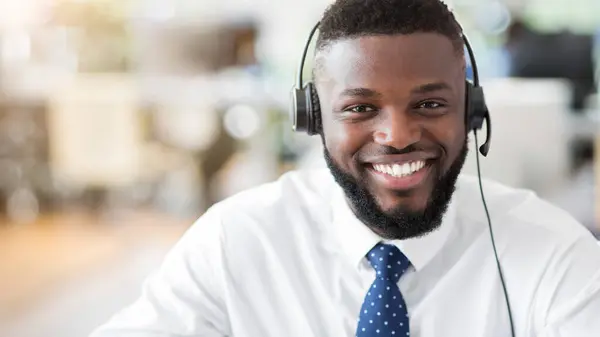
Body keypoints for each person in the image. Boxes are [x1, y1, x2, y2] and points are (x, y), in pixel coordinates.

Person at [91, 0, 600, 336]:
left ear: (471, 112)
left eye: (429, 105)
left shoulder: (554, 254)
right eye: (360, 108)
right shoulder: (237, 241)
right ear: (313, 118)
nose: (397, 136)